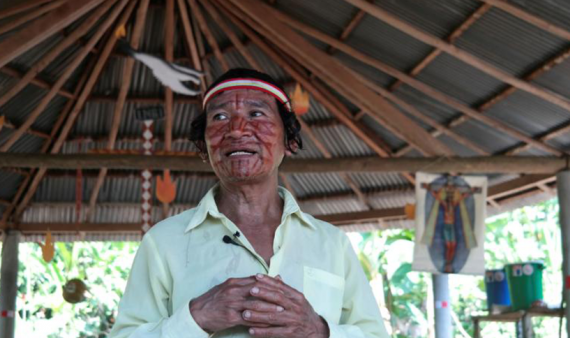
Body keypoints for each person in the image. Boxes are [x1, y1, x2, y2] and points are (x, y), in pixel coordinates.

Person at [109, 68, 388, 338]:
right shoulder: (163, 242)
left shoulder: (332, 243)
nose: (236, 129)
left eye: (256, 113)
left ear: (289, 141)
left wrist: (318, 331)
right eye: (219, 116)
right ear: (204, 149)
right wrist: (197, 318)